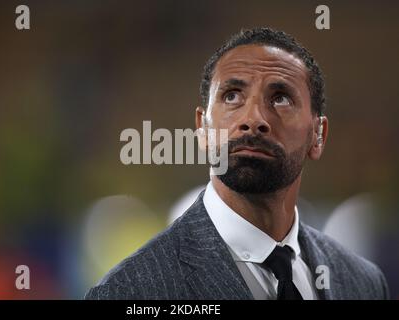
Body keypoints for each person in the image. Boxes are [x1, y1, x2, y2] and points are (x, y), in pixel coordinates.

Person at [85, 27, 389, 300]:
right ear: (202, 129)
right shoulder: (130, 292)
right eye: (232, 96)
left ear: (318, 136)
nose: (253, 119)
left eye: (281, 98)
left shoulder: (364, 284)